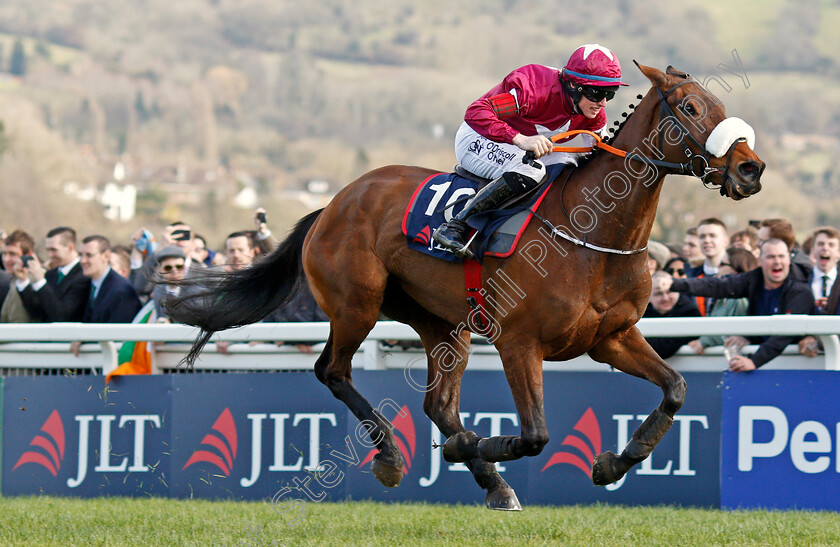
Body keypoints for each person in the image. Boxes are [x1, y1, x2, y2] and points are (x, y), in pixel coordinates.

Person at [433, 44, 627, 258]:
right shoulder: (535, 88)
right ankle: (455, 226)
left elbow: (601, 153)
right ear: (573, 85)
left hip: (520, 146)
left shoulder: (593, 113)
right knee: (532, 171)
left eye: (610, 93)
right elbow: (477, 111)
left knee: (572, 166)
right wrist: (519, 139)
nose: (603, 103)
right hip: (479, 136)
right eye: (598, 93)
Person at [668, 238, 815, 371]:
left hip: (799, 364)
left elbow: (785, 333)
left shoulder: (800, 290)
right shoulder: (754, 279)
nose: (777, 261)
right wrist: (672, 284)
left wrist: (754, 362)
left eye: (781, 256)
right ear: (760, 261)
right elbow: (717, 285)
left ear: (789, 259)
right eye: (771, 257)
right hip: (767, 363)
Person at [687, 247, 757, 355]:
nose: (717, 268)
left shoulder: (740, 300)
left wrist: (704, 341)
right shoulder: (722, 297)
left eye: (722, 264)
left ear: (735, 269)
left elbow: (733, 335)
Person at [15, 226, 90, 323]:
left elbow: (62, 315)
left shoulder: (84, 275)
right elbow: (36, 312)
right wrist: (23, 281)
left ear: (70, 247)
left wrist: (40, 282)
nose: (50, 255)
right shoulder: (51, 274)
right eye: (48, 250)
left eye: (54, 250)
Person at [80, 235, 142, 324]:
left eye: (89, 255)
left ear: (106, 256)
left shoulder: (121, 291)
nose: (83, 260)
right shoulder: (89, 284)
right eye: (81, 255)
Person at [643, 271, 701, 359]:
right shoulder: (640, 314)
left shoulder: (690, 312)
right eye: (659, 294)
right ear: (648, 297)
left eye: (670, 292)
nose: (665, 298)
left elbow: (663, 349)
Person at [685, 218, 730, 316]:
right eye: (702, 236)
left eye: (712, 236)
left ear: (726, 241)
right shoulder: (690, 275)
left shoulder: (737, 274)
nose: (707, 240)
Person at [1, 230, 37, 323]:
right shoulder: (13, 280)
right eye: (4, 254)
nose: (6, 259)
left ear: (28, 255)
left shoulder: (33, 281)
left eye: (12, 254)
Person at [148, 246, 188, 322]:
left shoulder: (197, 291)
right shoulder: (158, 289)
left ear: (185, 267)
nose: (174, 271)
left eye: (179, 267)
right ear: (160, 269)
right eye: (168, 268)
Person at [806, 227, 840, 312]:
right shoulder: (802, 280)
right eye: (820, 244)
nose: (825, 248)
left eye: (831, 245)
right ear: (812, 250)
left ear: (838, 253)